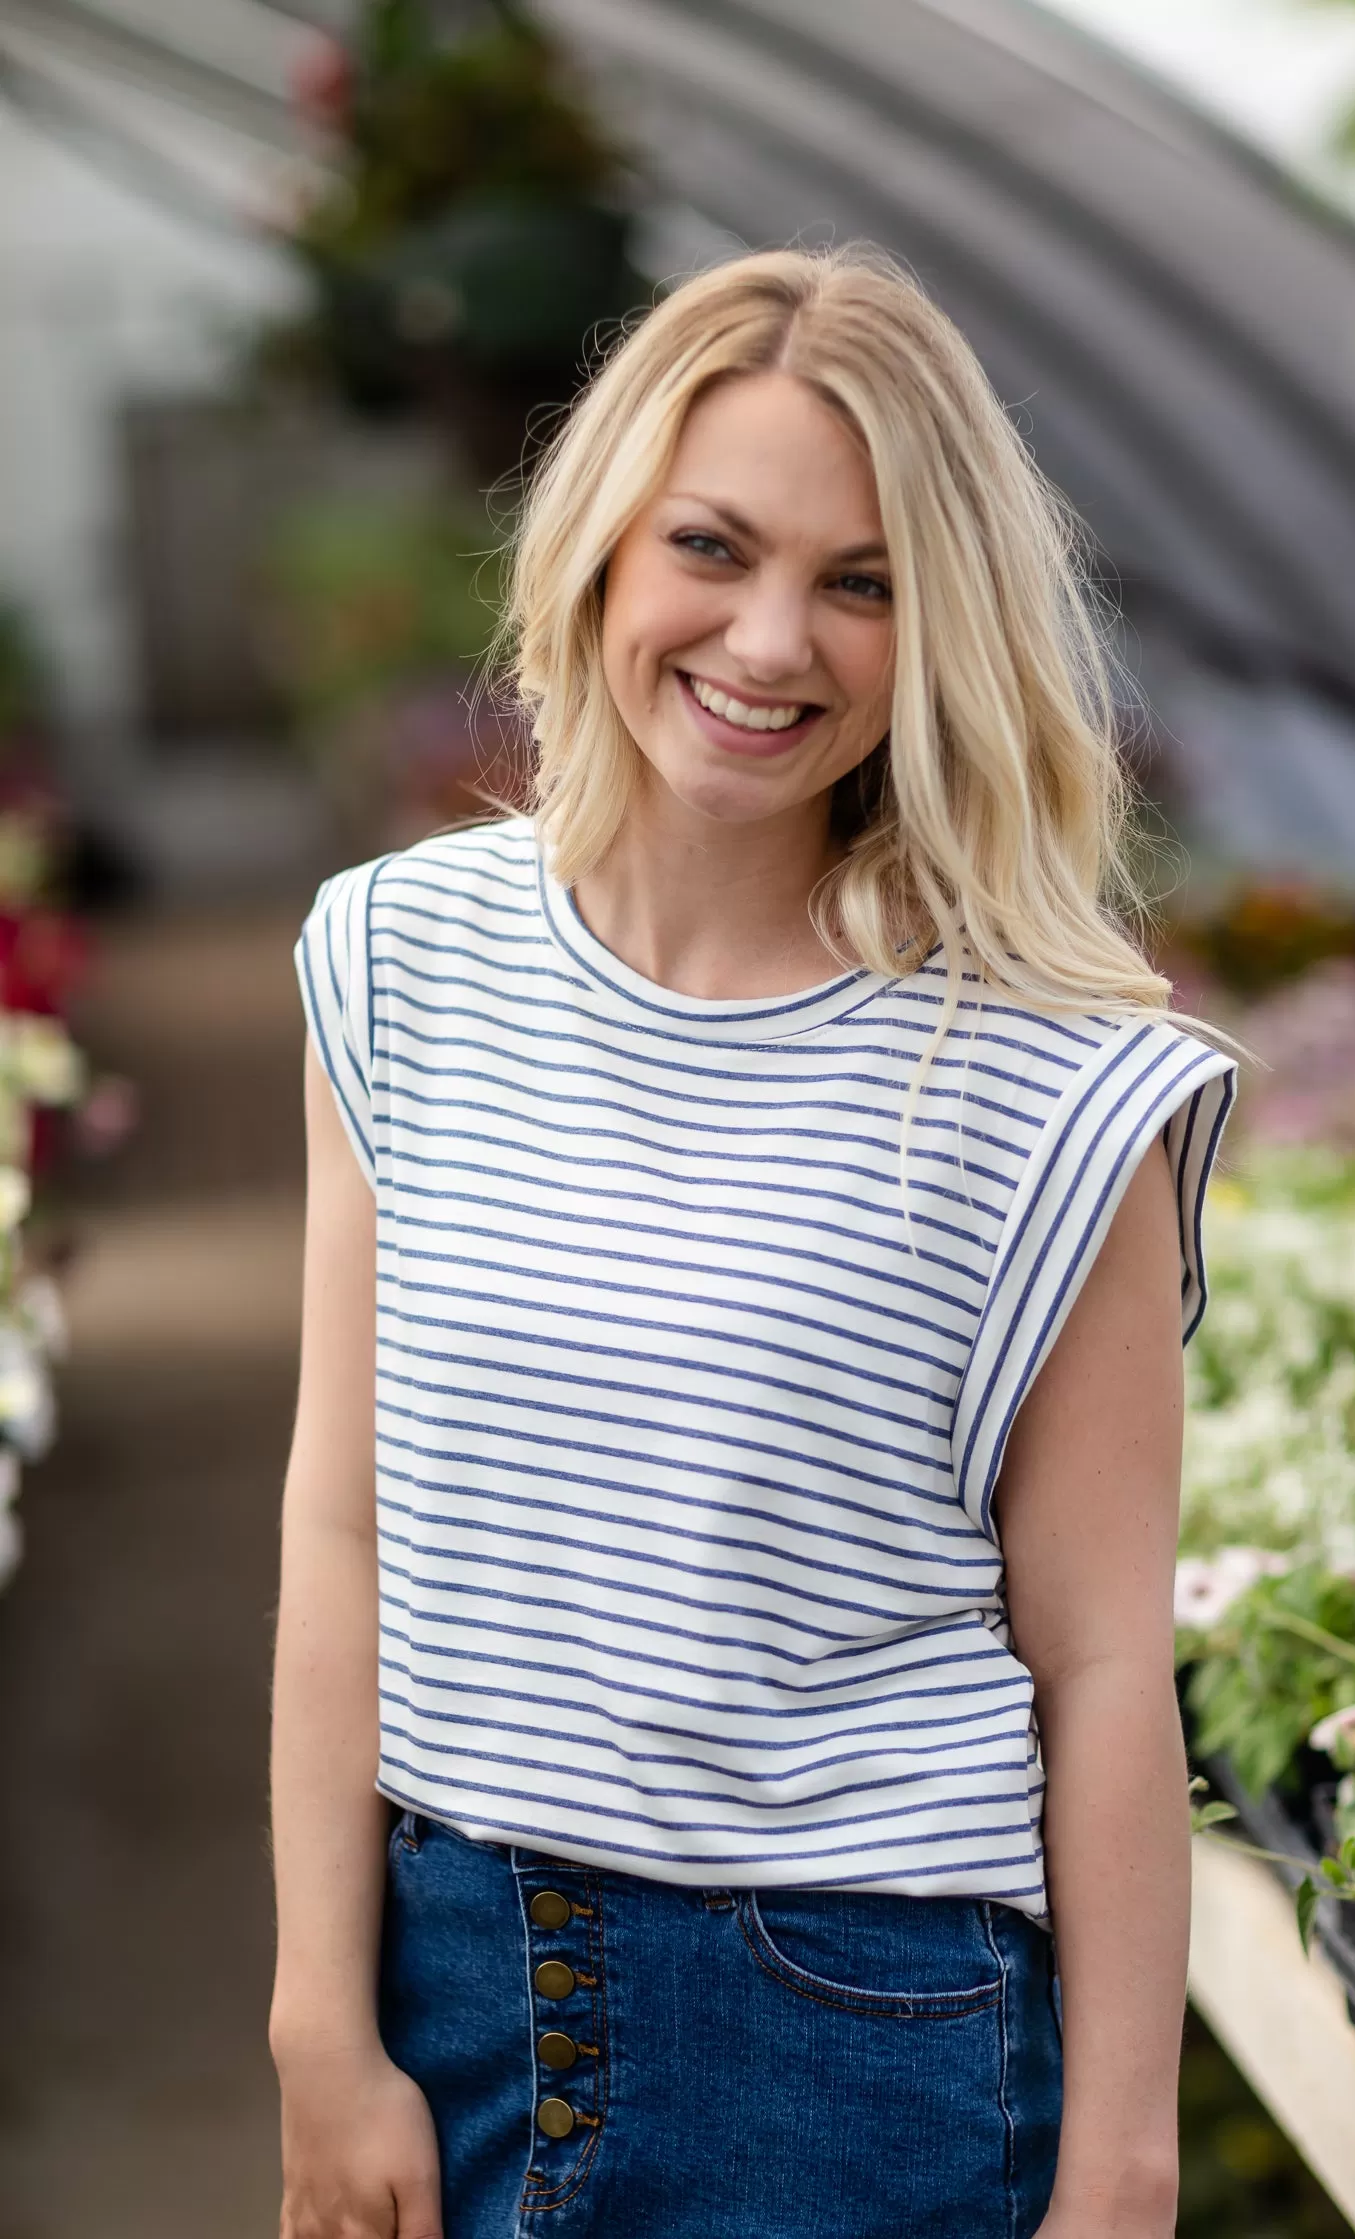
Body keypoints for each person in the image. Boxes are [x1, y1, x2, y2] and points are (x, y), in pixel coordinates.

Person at [271, 242, 1237, 2239]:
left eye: (861, 581)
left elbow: (1101, 1663)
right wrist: (319, 2024)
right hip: (447, 1992)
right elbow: (342, 1526)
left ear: (938, 626)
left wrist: (1121, 2176)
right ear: (606, 546)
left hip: (851, 2043)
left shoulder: (1052, 1086)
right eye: (713, 545)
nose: (773, 639)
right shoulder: (396, 962)